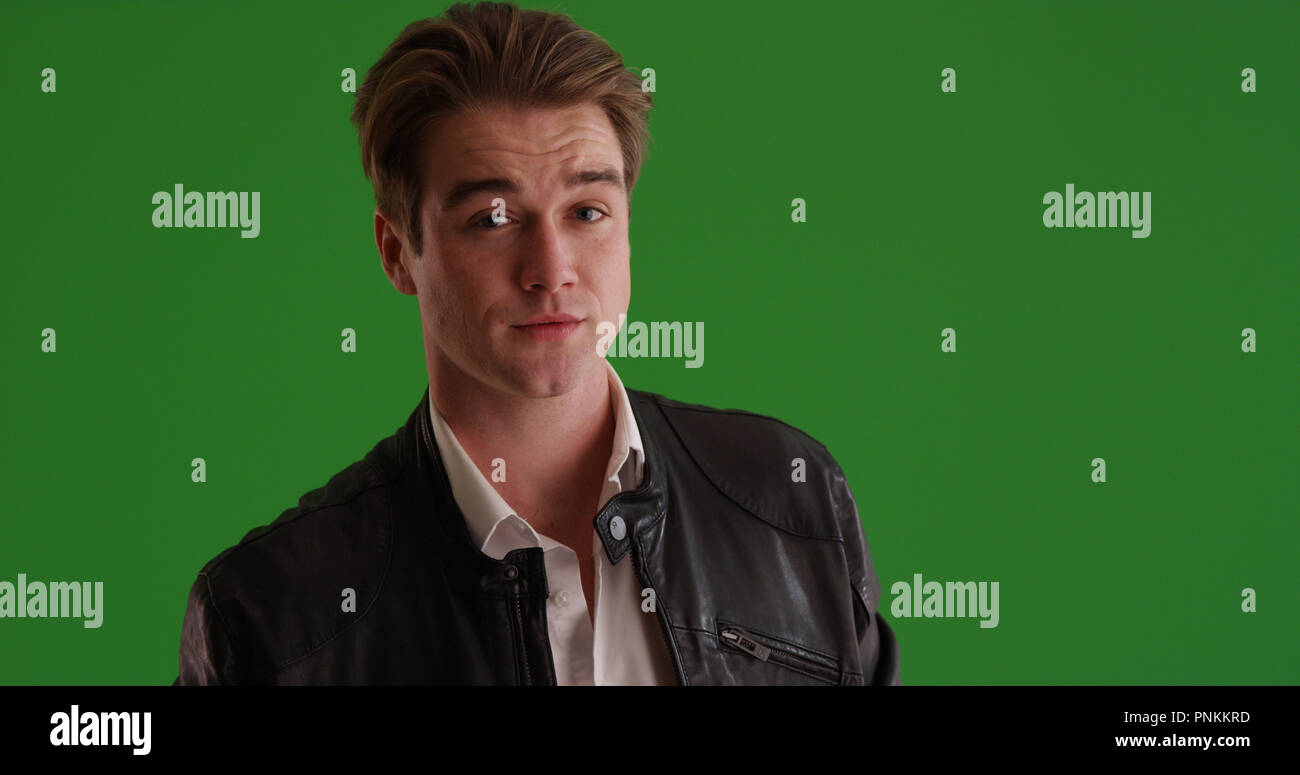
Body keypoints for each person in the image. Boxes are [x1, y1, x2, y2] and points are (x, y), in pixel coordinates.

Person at [175, 0, 901, 685]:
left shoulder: (794, 502)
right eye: (492, 219)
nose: (551, 269)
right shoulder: (270, 615)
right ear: (397, 251)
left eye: (587, 210)